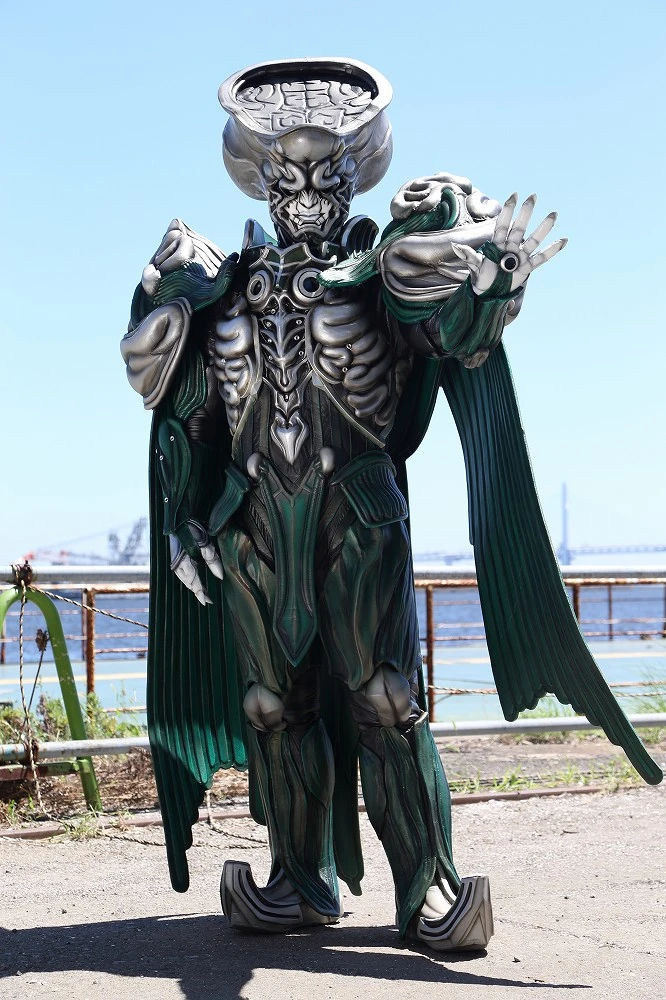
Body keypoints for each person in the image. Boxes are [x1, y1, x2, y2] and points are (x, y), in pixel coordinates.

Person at [121, 58, 661, 952]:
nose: (306, 193)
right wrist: (184, 517)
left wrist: (494, 283)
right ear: (260, 177)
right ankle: (298, 881)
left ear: (351, 176)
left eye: (324, 173)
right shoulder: (220, 289)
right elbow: (192, 419)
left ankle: (428, 888)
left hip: (358, 514)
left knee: (384, 699)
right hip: (251, 523)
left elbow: (450, 334)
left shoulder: (381, 273)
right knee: (270, 705)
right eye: (288, 174)